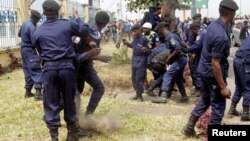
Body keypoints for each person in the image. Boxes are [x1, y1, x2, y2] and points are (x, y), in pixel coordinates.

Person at [182, 0, 238, 137]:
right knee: (218, 107)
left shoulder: (214, 25)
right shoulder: (220, 35)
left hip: (204, 71)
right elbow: (215, 63)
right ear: (231, 13)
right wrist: (223, 86)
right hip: (212, 73)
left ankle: (188, 128)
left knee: (205, 100)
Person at [32, 0, 85, 140]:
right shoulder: (67, 24)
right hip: (67, 67)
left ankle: (54, 136)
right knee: (69, 100)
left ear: (44, 13)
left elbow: (39, 50)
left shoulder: (38, 30)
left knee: (51, 102)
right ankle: (71, 134)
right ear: (58, 11)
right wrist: (77, 17)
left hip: (49, 69)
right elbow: (84, 31)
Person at [152, 22, 188, 103]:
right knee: (178, 78)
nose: (158, 33)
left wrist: (168, 58)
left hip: (180, 59)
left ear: (161, 29)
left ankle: (163, 96)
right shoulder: (169, 37)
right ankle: (184, 96)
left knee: (167, 75)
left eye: (158, 31)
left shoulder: (170, 36)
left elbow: (177, 49)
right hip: (179, 59)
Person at [18, 10, 43, 101]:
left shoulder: (25, 23)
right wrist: (40, 53)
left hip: (23, 49)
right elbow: (35, 42)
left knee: (27, 69)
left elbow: (19, 34)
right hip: (29, 49)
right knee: (36, 69)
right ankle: (38, 94)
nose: (38, 21)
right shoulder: (32, 27)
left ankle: (28, 92)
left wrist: (25, 39)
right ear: (36, 18)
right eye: (38, 19)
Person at [123, 24, 149, 102]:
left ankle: (140, 96)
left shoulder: (144, 39)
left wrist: (146, 49)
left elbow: (150, 48)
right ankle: (137, 94)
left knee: (139, 79)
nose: (133, 33)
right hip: (134, 61)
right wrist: (127, 43)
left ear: (140, 30)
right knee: (134, 79)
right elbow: (133, 46)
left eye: (135, 31)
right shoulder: (135, 38)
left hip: (141, 61)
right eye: (133, 31)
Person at [228, 36, 250, 121]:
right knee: (248, 87)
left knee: (239, 86)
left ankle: (232, 108)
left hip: (237, 60)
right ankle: (245, 114)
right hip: (245, 62)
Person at [188, 23, 206, 97]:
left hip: (202, 54)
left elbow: (197, 45)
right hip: (200, 53)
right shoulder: (203, 32)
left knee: (197, 71)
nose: (191, 33)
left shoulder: (201, 34)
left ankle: (200, 90)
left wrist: (188, 49)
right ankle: (199, 89)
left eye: (191, 31)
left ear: (194, 29)